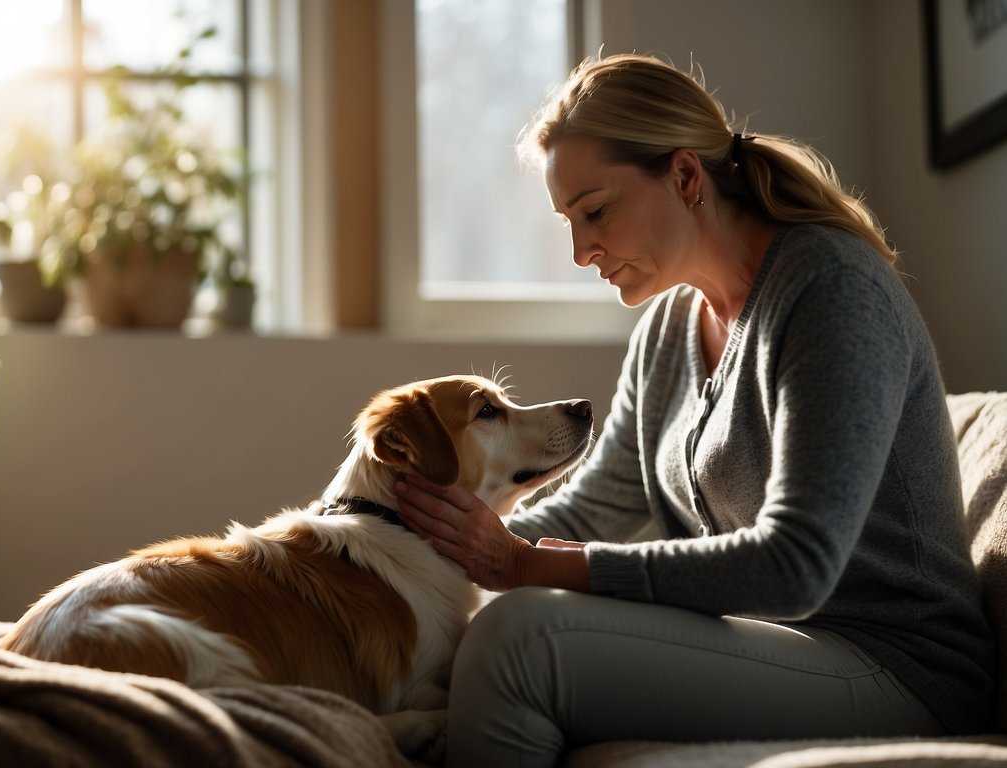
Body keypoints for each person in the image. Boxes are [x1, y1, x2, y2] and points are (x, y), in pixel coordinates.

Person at [393, 53, 996, 767]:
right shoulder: (669, 330)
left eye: (595, 212)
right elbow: (591, 510)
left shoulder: (831, 291)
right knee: (496, 622)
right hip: (778, 644)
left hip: (900, 665)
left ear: (684, 177)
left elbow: (797, 566)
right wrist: (412, 544)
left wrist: (528, 567)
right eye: (568, 220)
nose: (581, 250)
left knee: (520, 641)